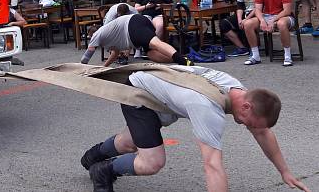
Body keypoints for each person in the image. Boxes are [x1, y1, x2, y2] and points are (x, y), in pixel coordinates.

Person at [81, 65, 309, 192]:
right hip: (141, 92)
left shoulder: (237, 90)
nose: (250, 128)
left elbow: (262, 131)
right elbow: (212, 166)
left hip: (164, 93)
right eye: (252, 123)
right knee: (152, 161)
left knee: (128, 143)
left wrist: (285, 172)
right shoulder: (208, 108)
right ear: (247, 106)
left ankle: (94, 156)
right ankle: (103, 171)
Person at [80, 13, 192, 67]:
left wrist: (80, 69)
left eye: (91, 38)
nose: (91, 40)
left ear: (92, 34)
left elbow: (87, 56)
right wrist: (104, 68)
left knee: (155, 43)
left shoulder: (97, 35)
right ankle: (179, 59)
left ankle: (180, 59)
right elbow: (115, 53)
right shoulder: (107, 39)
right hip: (135, 29)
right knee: (151, 53)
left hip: (132, 25)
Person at [243, 0, 295, 66]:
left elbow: (287, 10)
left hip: (284, 16)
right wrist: (262, 20)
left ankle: (287, 56)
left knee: (281, 24)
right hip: (267, 16)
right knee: (248, 24)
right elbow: (257, 9)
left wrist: (273, 20)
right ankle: (255, 55)